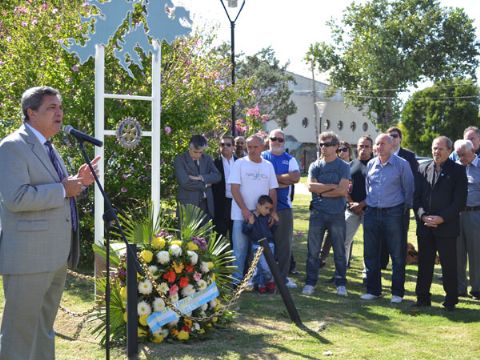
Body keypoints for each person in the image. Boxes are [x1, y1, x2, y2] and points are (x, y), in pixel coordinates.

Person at [0, 86, 100, 360]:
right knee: (20, 332)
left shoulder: (48, 147)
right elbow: (16, 198)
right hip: (28, 257)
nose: (59, 113)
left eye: (60, 107)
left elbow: (59, 189)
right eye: (51, 108)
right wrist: (63, 189)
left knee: (43, 329)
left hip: (54, 256)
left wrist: (79, 183)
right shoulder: (12, 146)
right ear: (31, 113)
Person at [414, 136, 467, 311]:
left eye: (440, 149)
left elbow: (459, 202)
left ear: (449, 151)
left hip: (447, 226)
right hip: (425, 226)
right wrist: (422, 216)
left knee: (449, 264)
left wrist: (442, 218)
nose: (436, 152)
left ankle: (451, 300)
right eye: (434, 148)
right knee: (424, 264)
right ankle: (422, 298)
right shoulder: (423, 168)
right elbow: (417, 199)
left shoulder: (458, 171)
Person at [361, 133, 414, 304]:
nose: (379, 146)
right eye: (377, 144)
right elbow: (368, 188)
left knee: (397, 255)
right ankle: (373, 290)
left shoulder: (402, 165)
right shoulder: (371, 164)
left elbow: (409, 190)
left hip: (394, 213)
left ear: (392, 146)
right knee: (370, 253)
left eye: (383, 143)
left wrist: (403, 212)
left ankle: (397, 293)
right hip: (372, 213)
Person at [302, 131, 350, 297]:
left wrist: (321, 190)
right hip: (317, 214)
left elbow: (342, 191)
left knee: (339, 251)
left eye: (327, 144)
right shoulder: (315, 165)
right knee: (313, 251)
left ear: (336, 147)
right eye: (321, 144)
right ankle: (310, 282)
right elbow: (311, 187)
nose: (323, 147)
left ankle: (341, 283)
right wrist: (331, 187)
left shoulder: (343, 167)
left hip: (337, 214)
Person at [228, 135, 278, 285]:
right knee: (240, 250)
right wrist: (244, 210)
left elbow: (273, 191)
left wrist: (271, 212)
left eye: (255, 147)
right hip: (240, 214)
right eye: (249, 147)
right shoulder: (239, 164)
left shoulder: (268, 165)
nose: (252, 150)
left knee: (260, 251)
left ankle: (260, 282)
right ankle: (237, 282)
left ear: (263, 147)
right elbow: (234, 188)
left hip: (261, 217)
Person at [262, 129, 300, 289]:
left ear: (284, 142)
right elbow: (263, 177)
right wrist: (283, 179)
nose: (277, 142)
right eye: (273, 138)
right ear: (268, 140)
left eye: (280, 140)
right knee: (262, 245)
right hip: (261, 208)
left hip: (284, 209)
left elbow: (296, 178)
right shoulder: (263, 157)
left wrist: (272, 177)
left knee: (284, 246)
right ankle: (263, 277)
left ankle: (282, 278)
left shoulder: (290, 159)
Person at [384, 126, 418, 269]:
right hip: (384, 204)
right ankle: (383, 262)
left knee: (400, 234)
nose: (392, 138)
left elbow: (414, 180)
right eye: (389, 135)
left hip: (402, 204)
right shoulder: (382, 154)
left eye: (395, 135)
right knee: (384, 234)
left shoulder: (409, 156)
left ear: (400, 138)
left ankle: (399, 263)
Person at [453, 140, 480, 300]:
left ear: (473, 151)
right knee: (457, 252)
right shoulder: (455, 167)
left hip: (475, 214)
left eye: (463, 154)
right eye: (458, 154)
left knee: (476, 252)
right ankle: (459, 287)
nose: (460, 157)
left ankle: (477, 288)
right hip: (456, 215)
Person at [174, 135, 221, 219]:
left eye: (201, 152)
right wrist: (206, 185)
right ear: (189, 148)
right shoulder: (180, 159)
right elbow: (185, 183)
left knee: (206, 232)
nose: (198, 155)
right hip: (188, 204)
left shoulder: (207, 158)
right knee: (186, 232)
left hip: (206, 205)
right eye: (195, 152)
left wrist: (201, 177)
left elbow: (217, 176)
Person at [345, 136, 374, 267]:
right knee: (344, 241)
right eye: (361, 146)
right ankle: (341, 272)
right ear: (357, 147)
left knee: (369, 244)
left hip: (369, 210)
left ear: (372, 149)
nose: (363, 149)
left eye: (367, 146)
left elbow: (377, 191)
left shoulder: (375, 165)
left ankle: (366, 275)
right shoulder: (350, 165)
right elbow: (344, 187)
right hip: (351, 210)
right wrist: (352, 204)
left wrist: (362, 205)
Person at [242, 195, 277, 294]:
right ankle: (269, 282)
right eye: (266, 208)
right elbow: (245, 231)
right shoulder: (250, 217)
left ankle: (262, 284)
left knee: (267, 266)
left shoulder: (268, 218)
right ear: (258, 205)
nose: (267, 211)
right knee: (263, 266)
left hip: (269, 244)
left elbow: (272, 231)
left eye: (270, 209)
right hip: (257, 245)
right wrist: (250, 224)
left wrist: (276, 223)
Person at [212, 135, 236, 243]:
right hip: (221, 204)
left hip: (237, 203)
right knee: (218, 237)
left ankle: (237, 260)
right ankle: (218, 259)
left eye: (228, 144)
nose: (225, 147)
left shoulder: (240, 162)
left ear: (233, 147)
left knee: (236, 236)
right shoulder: (213, 163)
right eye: (222, 144)